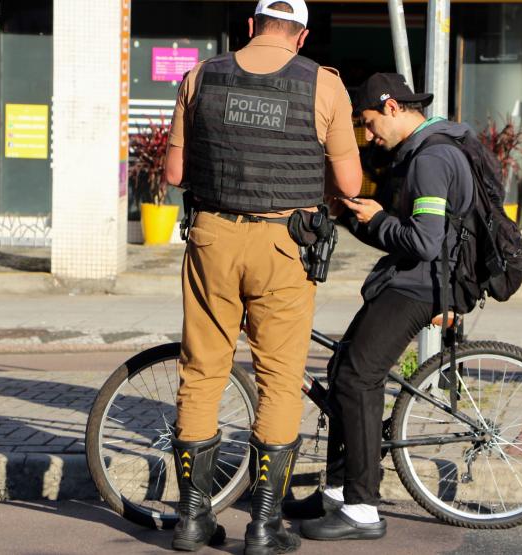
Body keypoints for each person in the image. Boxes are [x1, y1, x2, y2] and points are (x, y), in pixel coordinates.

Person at [162, 0, 362, 552]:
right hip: (284, 245)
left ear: (250, 26)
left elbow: (175, 172)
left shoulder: (201, 76)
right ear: (302, 36)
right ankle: (264, 526)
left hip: (212, 238)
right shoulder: (324, 84)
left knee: (203, 371)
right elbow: (350, 183)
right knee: (279, 378)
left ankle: (193, 520)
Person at [286, 73, 475, 541]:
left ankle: (363, 510)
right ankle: (337, 492)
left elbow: (425, 242)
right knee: (342, 370)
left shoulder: (431, 160)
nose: (368, 136)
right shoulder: (418, 153)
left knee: (358, 378)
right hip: (408, 278)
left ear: (392, 108)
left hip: (422, 287)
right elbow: (398, 235)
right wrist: (353, 217)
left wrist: (378, 218)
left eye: (369, 123)